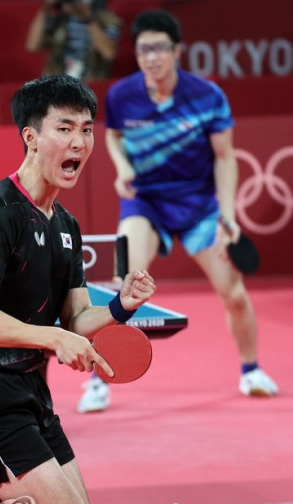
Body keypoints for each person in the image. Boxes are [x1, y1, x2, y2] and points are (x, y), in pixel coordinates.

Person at [0, 74, 156, 504]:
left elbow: (76, 318)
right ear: (31, 137)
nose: (79, 142)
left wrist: (121, 305)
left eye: (87, 130)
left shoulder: (65, 226)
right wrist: (52, 338)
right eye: (65, 129)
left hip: (29, 390)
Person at [77, 9, 279, 413]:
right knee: (122, 286)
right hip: (145, 202)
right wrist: (122, 167)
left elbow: (225, 159)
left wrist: (228, 215)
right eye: (143, 50)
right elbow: (113, 137)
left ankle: (251, 369)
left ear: (177, 51)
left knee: (234, 293)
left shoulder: (207, 96)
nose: (151, 57)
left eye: (159, 49)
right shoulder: (121, 95)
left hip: (198, 205)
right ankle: (98, 380)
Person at [25, 0, 121, 82]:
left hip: (90, 83)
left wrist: (87, 18)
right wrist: (46, 7)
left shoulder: (107, 20)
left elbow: (108, 53)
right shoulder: (59, 20)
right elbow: (32, 46)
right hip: (56, 83)